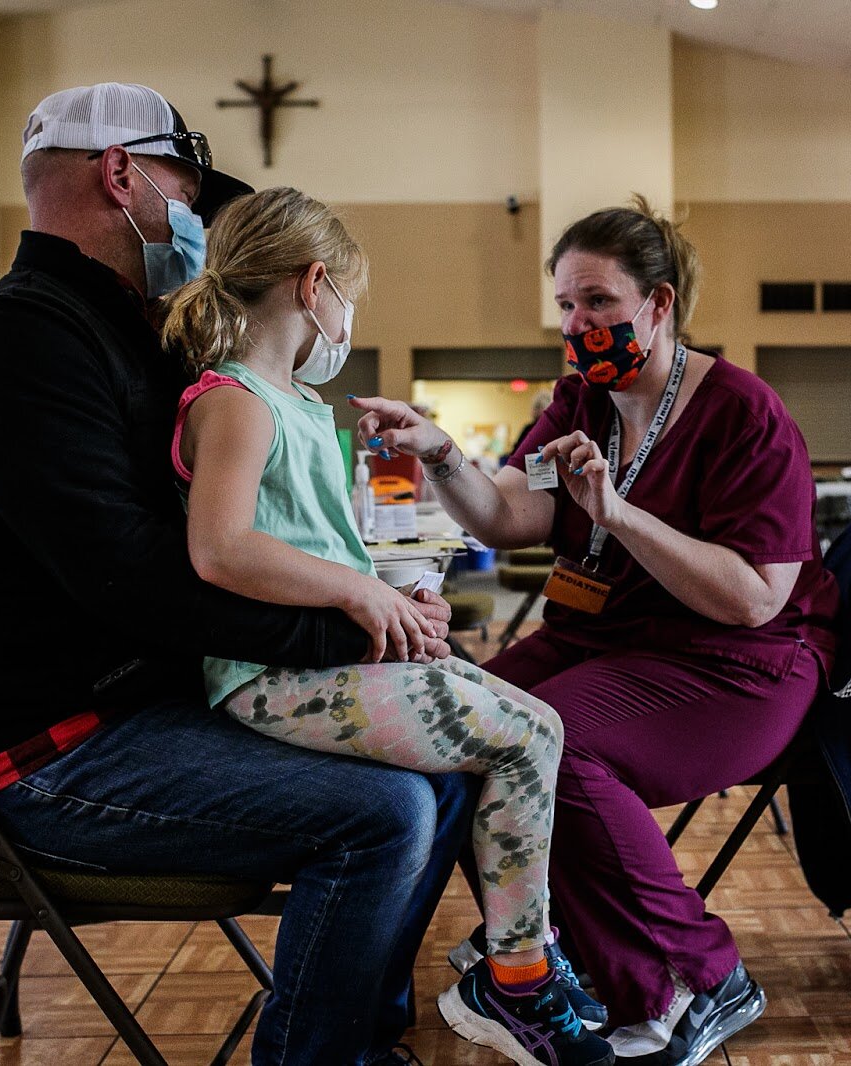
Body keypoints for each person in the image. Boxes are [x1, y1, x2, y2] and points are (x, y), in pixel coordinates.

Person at [0, 82, 467, 1066]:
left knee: (449, 761)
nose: (202, 219)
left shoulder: (135, 335)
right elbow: (132, 578)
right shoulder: (15, 339)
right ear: (121, 173)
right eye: (187, 184)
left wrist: (376, 609)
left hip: (152, 705)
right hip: (49, 751)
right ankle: (315, 1054)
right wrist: (354, 625)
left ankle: (357, 1033)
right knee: (383, 815)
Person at [350, 196, 838, 1064]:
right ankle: (539, 950)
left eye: (599, 302)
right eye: (568, 307)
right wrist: (439, 453)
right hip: (607, 640)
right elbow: (506, 516)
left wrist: (619, 514)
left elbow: (756, 597)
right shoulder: (582, 399)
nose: (579, 324)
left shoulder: (744, 415)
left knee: (546, 745)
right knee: (452, 719)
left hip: (736, 664)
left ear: (659, 303)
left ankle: (698, 976)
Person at [161, 186, 613, 1066]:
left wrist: (394, 599)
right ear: (314, 285)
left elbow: (315, 545)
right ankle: (519, 973)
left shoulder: (291, 402)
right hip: (270, 680)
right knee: (529, 735)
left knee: (527, 721)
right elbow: (220, 548)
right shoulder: (236, 399)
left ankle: (511, 966)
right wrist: (361, 595)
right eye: (350, 299)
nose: (349, 320)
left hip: (322, 669)